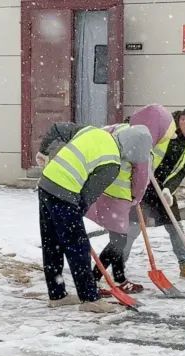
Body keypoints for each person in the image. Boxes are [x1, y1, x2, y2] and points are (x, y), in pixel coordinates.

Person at [36, 123, 152, 313]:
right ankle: (90, 299)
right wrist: (75, 219)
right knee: (78, 247)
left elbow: (58, 129)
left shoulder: (94, 131)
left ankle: (57, 295)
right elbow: (87, 196)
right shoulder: (112, 164)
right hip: (64, 192)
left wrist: (43, 151)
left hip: (46, 183)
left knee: (52, 243)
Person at [88, 104, 175, 294]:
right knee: (119, 239)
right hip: (117, 195)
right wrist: (136, 197)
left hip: (101, 188)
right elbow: (141, 176)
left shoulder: (119, 129)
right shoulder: (143, 140)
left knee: (117, 237)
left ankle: (116, 278)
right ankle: (95, 279)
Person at [121, 106, 185, 279]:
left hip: (162, 187)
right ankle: (118, 265)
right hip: (143, 183)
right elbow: (133, 125)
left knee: (175, 226)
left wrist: (168, 190)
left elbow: (181, 170)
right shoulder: (162, 124)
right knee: (133, 228)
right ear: (183, 120)